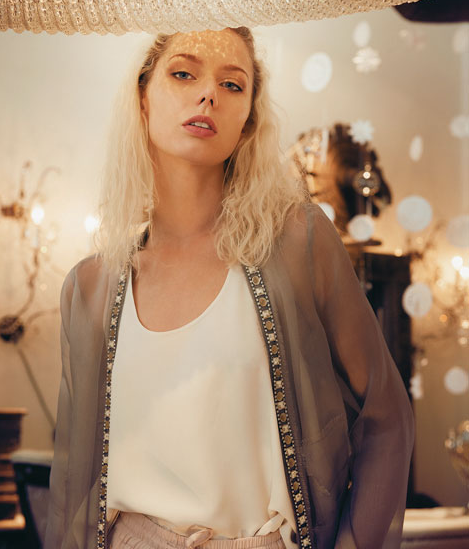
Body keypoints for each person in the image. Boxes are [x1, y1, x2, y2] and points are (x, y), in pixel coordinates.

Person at [44, 27, 414, 549]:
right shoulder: (90, 287)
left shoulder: (297, 243)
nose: (208, 95)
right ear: (142, 98)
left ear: (248, 122)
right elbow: (75, 483)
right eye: (183, 73)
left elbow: (386, 417)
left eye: (232, 84)